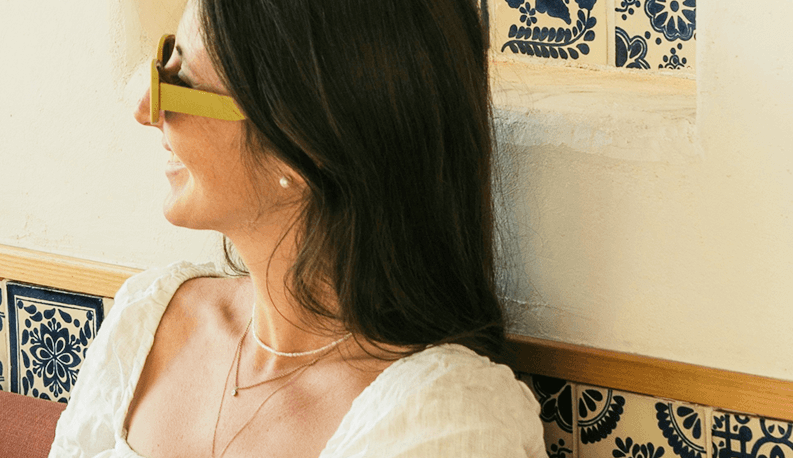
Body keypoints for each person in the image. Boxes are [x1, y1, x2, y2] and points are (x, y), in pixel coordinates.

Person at [49, 0, 541, 456]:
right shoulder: (145, 320)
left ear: (302, 147)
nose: (146, 111)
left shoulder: (444, 424)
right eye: (165, 61)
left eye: (181, 83)